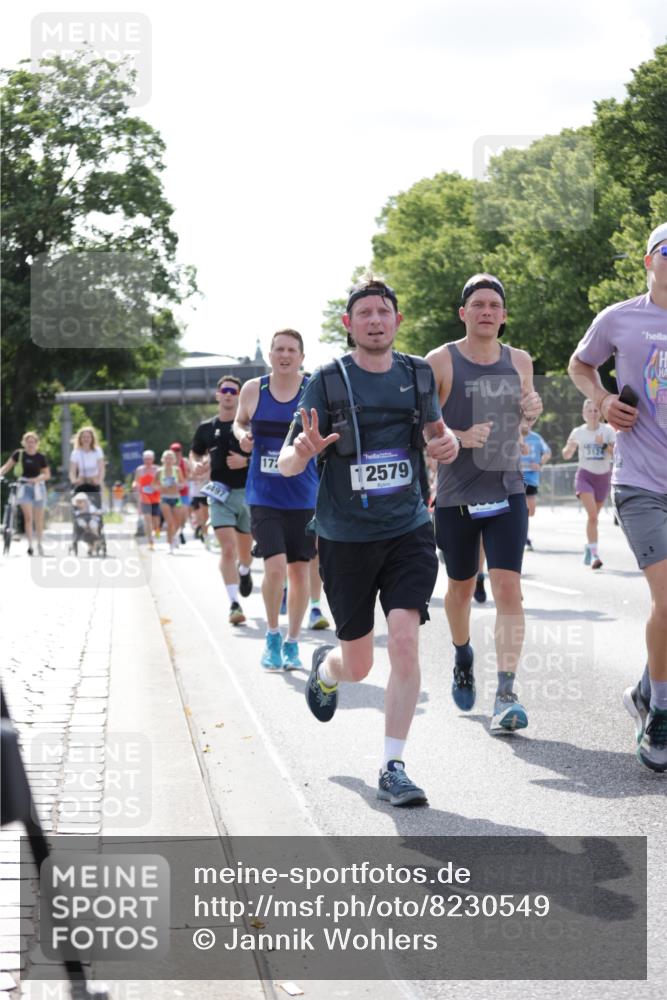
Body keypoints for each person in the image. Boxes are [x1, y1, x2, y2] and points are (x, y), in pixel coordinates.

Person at [278, 278, 458, 807]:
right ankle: (326, 669)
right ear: (348, 324)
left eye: (384, 312)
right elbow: (289, 459)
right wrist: (304, 452)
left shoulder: (418, 373)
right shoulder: (328, 382)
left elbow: (435, 433)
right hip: (344, 538)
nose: (375, 320)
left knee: (403, 639)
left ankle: (393, 766)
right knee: (358, 664)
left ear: (397, 321)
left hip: (407, 529)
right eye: (365, 313)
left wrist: (444, 443)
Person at [568, 221, 667, 773]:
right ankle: (661, 716)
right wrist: (603, 400)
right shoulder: (620, 318)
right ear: (649, 261)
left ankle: (645, 692)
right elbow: (580, 365)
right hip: (640, 481)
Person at [427, 273, 543, 734]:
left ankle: (507, 691)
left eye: (495, 305)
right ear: (464, 313)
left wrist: (530, 411)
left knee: (508, 588)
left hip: (507, 487)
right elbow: (419, 425)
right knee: (458, 588)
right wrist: (455, 436)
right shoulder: (440, 361)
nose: (487, 311)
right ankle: (461, 653)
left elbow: (522, 427)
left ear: (504, 315)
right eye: (478, 304)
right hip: (456, 495)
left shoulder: (520, 361)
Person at [235, 331, 318, 668]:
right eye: (280, 349)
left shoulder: (313, 388)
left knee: (300, 574)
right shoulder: (254, 389)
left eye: (292, 350)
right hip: (264, 494)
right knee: (275, 568)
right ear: (270, 354)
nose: (285, 355)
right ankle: (272, 634)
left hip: (304, 494)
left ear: (301, 356)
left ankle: (293, 642)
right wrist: (242, 437)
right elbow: (240, 422)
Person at [191, 376, 254, 625]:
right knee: (227, 549)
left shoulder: (249, 426)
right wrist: (196, 463)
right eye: (224, 391)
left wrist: (245, 461)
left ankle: (245, 570)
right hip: (219, 495)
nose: (228, 395)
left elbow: (267, 456)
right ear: (217, 395)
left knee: (244, 552)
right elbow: (195, 451)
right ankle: (234, 604)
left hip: (248, 494)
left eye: (233, 391)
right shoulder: (207, 428)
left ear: (239, 396)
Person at [562, 399, 615, 569]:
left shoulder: (608, 431)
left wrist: (604, 445)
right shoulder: (578, 432)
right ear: (583, 414)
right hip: (585, 476)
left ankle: (588, 546)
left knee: (594, 518)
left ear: (600, 413)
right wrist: (569, 448)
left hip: (603, 477)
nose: (593, 414)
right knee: (592, 515)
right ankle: (594, 555)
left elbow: (617, 452)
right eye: (589, 411)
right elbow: (566, 455)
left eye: (595, 411)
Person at [0, 431, 51, 556]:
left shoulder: (40, 457)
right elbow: (7, 466)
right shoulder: (19, 454)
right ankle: (30, 545)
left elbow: (47, 475)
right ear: (24, 443)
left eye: (33, 442)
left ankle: (39, 543)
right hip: (24, 487)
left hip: (38, 488)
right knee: (28, 518)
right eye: (28, 442)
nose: (30, 444)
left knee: (38, 519)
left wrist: (37, 479)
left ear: (36, 443)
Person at [520, 418, 551, 550]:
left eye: (528, 421)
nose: (525, 423)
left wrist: (539, 463)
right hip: (516, 478)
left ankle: (522, 532)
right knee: (520, 509)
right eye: (522, 420)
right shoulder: (514, 437)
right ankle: (523, 538)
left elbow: (547, 453)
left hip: (532, 478)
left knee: (530, 511)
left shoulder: (537, 437)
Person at [69, 426, 105, 508]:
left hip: (94, 481)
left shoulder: (97, 451)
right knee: (78, 502)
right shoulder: (76, 452)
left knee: (96, 504)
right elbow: (72, 470)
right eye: (84, 437)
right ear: (80, 439)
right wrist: (74, 481)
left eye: (88, 437)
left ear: (92, 438)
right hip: (81, 481)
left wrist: (99, 480)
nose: (86, 439)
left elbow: (101, 468)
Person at [158, 449, 186, 553]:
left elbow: (183, 483)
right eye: (166, 458)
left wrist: (177, 485)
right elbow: (154, 485)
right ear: (163, 459)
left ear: (173, 460)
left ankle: (174, 537)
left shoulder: (177, 470)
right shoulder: (159, 471)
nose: (168, 460)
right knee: (170, 522)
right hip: (164, 498)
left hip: (176, 498)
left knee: (178, 522)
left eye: (170, 458)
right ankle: (170, 544)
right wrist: (161, 487)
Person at [133, 450, 160, 549]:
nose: (148, 461)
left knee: (155, 520)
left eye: (150, 459)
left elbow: (161, 482)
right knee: (147, 520)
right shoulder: (140, 470)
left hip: (156, 498)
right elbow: (136, 481)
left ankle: (157, 530)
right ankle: (150, 541)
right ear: (143, 459)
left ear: (153, 459)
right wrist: (135, 486)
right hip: (144, 498)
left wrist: (155, 487)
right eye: (146, 459)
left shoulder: (157, 469)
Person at [169, 442, 191, 544]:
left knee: (183, 515)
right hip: (171, 493)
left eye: (178, 451)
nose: (176, 453)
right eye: (174, 451)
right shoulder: (168, 463)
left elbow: (188, 475)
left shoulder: (185, 462)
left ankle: (180, 531)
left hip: (183, 493)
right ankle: (174, 536)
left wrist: (183, 483)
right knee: (174, 516)